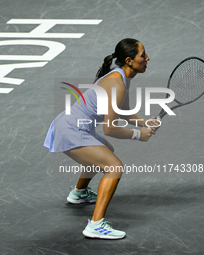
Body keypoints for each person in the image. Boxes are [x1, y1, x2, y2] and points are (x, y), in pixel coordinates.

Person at [43, 38, 160, 239]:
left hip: (74, 125)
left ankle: (79, 193)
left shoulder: (123, 77)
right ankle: (95, 225)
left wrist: (143, 123)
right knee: (114, 166)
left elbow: (123, 111)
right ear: (129, 60)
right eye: (143, 55)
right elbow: (109, 129)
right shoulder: (117, 83)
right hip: (71, 129)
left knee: (106, 152)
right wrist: (138, 135)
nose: (147, 58)